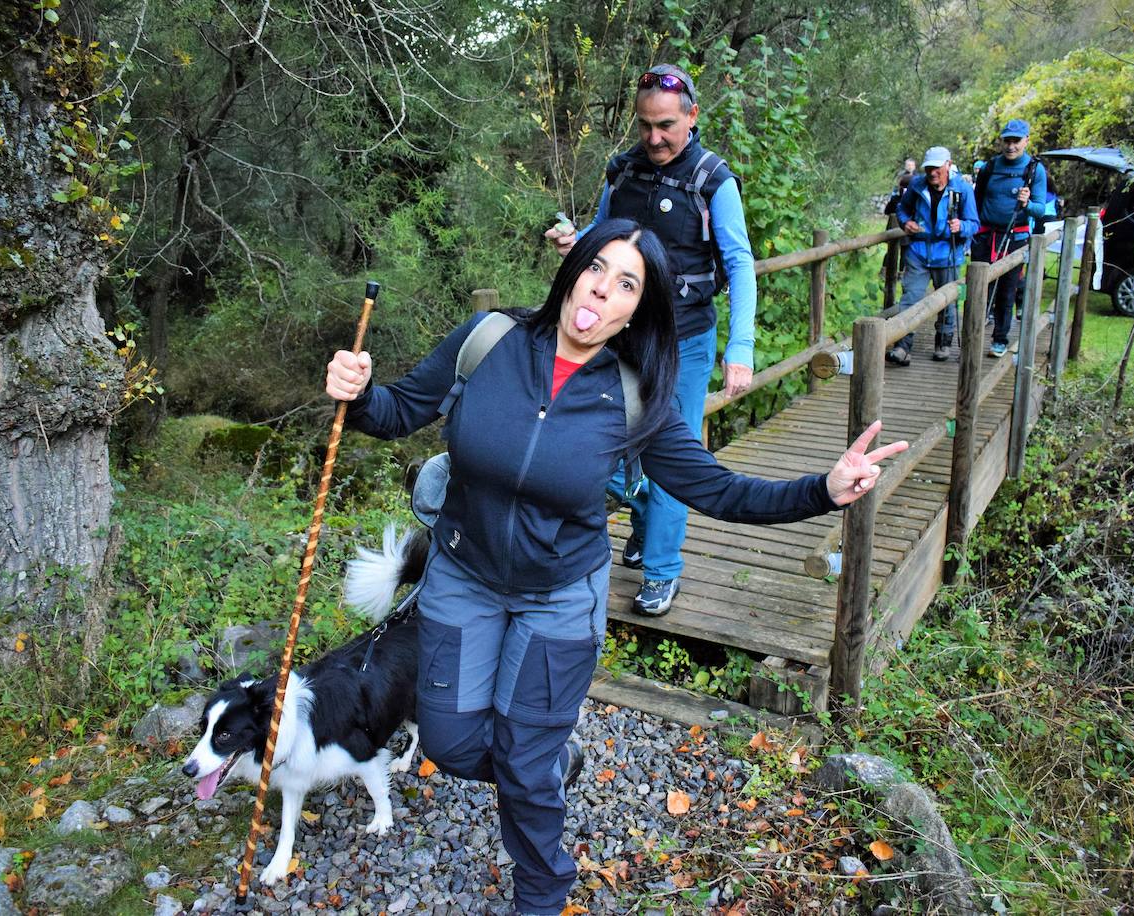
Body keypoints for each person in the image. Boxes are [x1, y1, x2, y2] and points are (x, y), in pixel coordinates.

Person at [325, 220, 907, 916]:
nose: (602, 288)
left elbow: (717, 489)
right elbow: (398, 410)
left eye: (626, 282)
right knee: (449, 742)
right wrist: (358, 394)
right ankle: (545, 764)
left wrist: (823, 489)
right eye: (596, 266)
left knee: (519, 754)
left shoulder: (634, 398)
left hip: (559, 596)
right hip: (462, 575)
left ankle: (541, 891)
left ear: (640, 306)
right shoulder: (488, 342)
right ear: (572, 266)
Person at [542, 63, 755, 617]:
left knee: (670, 455)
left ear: (692, 116)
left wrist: (742, 348)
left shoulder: (714, 181)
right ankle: (642, 532)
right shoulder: (624, 172)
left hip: (683, 342)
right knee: (606, 444)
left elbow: (740, 262)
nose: (654, 138)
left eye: (665, 125)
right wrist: (575, 242)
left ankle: (662, 571)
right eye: (644, 126)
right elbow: (600, 234)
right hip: (619, 338)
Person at [888, 146, 979, 365]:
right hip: (919, 251)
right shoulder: (916, 185)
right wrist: (905, 222)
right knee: (910, 298)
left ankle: (943, 343)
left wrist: (962, 226)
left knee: (947, 301)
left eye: (937, 168)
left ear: (948, 165)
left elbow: (974, 224)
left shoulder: (963, 190)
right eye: (929, 168)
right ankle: (902, 346)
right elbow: (902, 209)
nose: (932, 173)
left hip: (949, 253)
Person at [971, 119, 1047, 358]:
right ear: (1001, 141)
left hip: (1016, 237)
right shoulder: (990, 167)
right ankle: (972, 335)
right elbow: (977, 199)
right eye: (1007, 140)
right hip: (985, 237)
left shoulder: (1035, 169)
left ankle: (1000, 339)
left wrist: (1027, 203)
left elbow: (1041, 209)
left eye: (1016, 141)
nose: (1011, 146)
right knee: (979, 286)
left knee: (1007, 289)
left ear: (1026, 140)